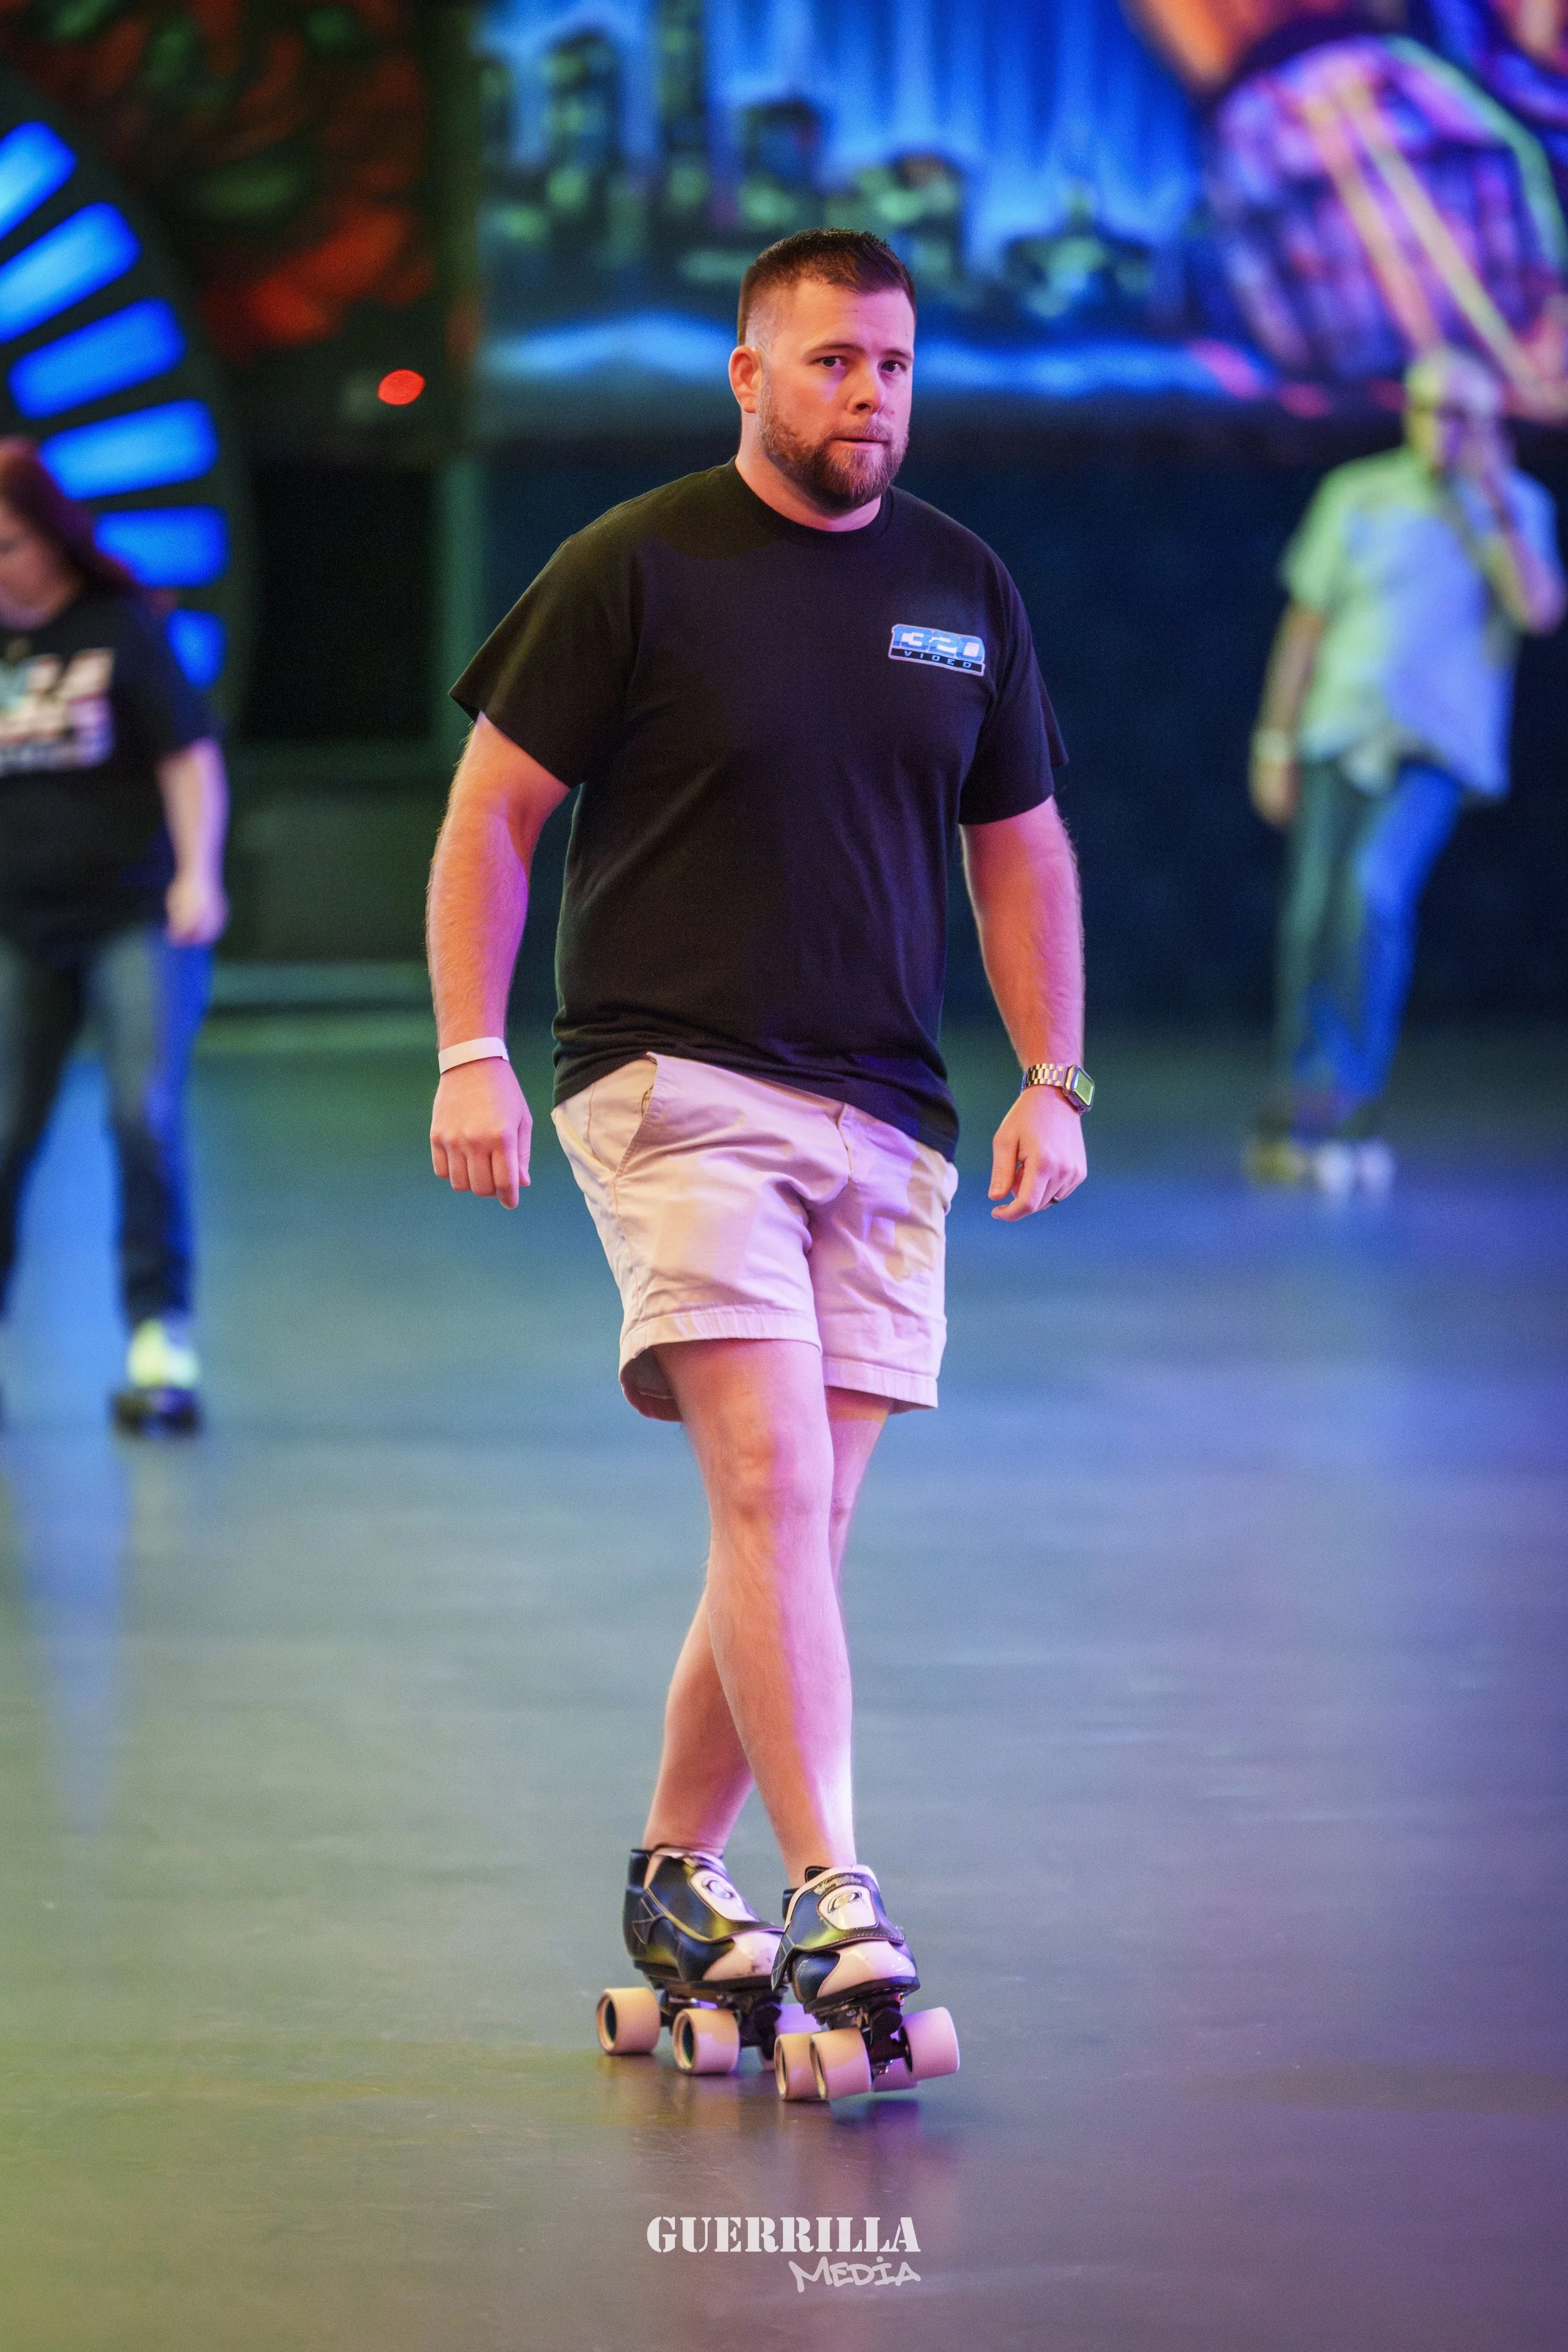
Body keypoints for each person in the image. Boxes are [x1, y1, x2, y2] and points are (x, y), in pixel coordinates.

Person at [426, 229, 1089, 2069]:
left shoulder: (962, 584)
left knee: (800, 1522)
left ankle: (671, 1869)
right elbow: (492, 813)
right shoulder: (632, 565)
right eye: (826, 363)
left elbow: (1018, 843)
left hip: (889, 1114)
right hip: (671, 1081)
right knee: (774, 1490)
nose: (864, 395)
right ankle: (832, 1888)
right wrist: (469, 1048)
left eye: (888, 363)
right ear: (747, 374)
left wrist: (1058, 1071)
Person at [1247, 344, 1564, 1190]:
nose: (1443, 429)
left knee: (1373, 894)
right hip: (1338, 736)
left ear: (1492, 426)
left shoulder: (1515, 508)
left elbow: (1538, 609)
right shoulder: (1358, 495)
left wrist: (1489, 499)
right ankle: (1301, 1103)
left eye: (1463, 415)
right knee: (1314, 916)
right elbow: (1305, 628)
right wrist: (1274, 742)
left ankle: (1348, 1097)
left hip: (1434, 752)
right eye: (1428, 410)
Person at [0, 443, 228, 1430]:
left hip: (133, 916)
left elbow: (188, 759)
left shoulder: (119, 627)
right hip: (18, 926)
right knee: (3, 1135)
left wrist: (198, 873)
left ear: (50, 536)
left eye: (8, 544)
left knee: (142, 1115)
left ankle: (158, 1336)